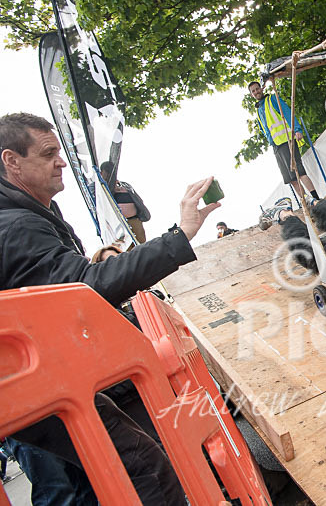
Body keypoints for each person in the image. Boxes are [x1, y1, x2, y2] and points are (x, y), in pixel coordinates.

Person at [0, 112, 221, 504]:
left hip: (40, 381)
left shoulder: (28, 216)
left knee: (85, 488)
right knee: (142, 468)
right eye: (49, 153)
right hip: (33, 386)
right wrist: (180, 235)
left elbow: (64, 283)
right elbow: (88, 288)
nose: (61, 161)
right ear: (11, 161)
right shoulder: (16, 226)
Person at [248, 80, 320, 203]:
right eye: (253, 91)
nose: (256, 92)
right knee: (290, 178)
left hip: (286, 140)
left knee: (299, 171)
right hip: (276, 146)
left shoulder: (272, 99)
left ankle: (317, 199)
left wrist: (297, 129)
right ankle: (307, 202)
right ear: (251, 95)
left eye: (257, 89)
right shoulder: (258, 110)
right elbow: (264, 129)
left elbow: (287, 112)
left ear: (261, 89)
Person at [99, 161, 150, 244]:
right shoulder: (100, 188)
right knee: (123, 249)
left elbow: (138, 200)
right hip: (116, 226)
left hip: (134, 221)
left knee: (140, 246)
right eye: (107, 171)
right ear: (101, 173)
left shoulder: (125, 185)